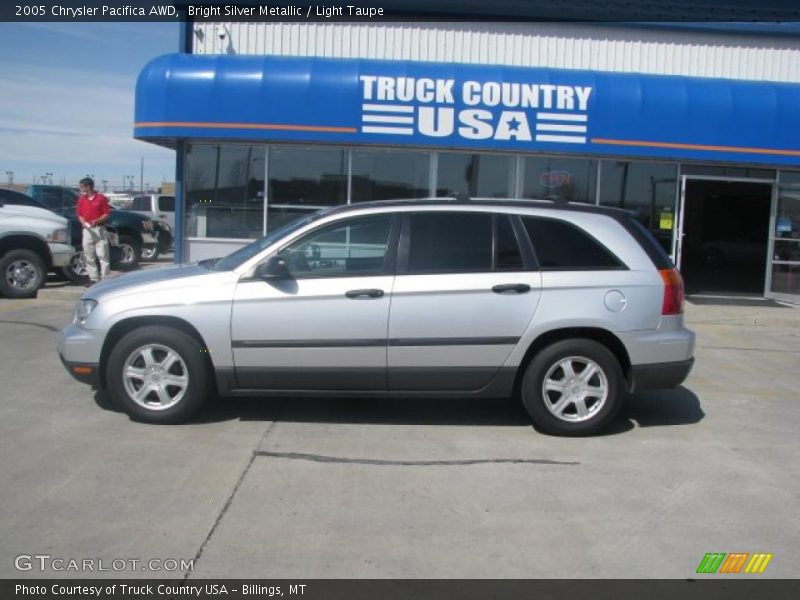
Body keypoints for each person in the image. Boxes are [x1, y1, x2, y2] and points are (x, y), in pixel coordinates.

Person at [76, 177, 111, 286]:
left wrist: (96, 221)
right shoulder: (82, 199)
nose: (81, 189)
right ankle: (94, 278)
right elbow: (79, 214)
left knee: (103, 254)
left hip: (99, 229)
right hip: (87, 230)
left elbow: (107, 214)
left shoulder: (101, 198)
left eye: (82, 187)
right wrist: (83, 222)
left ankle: (105, 278)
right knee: (88, 254)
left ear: (88, 187)